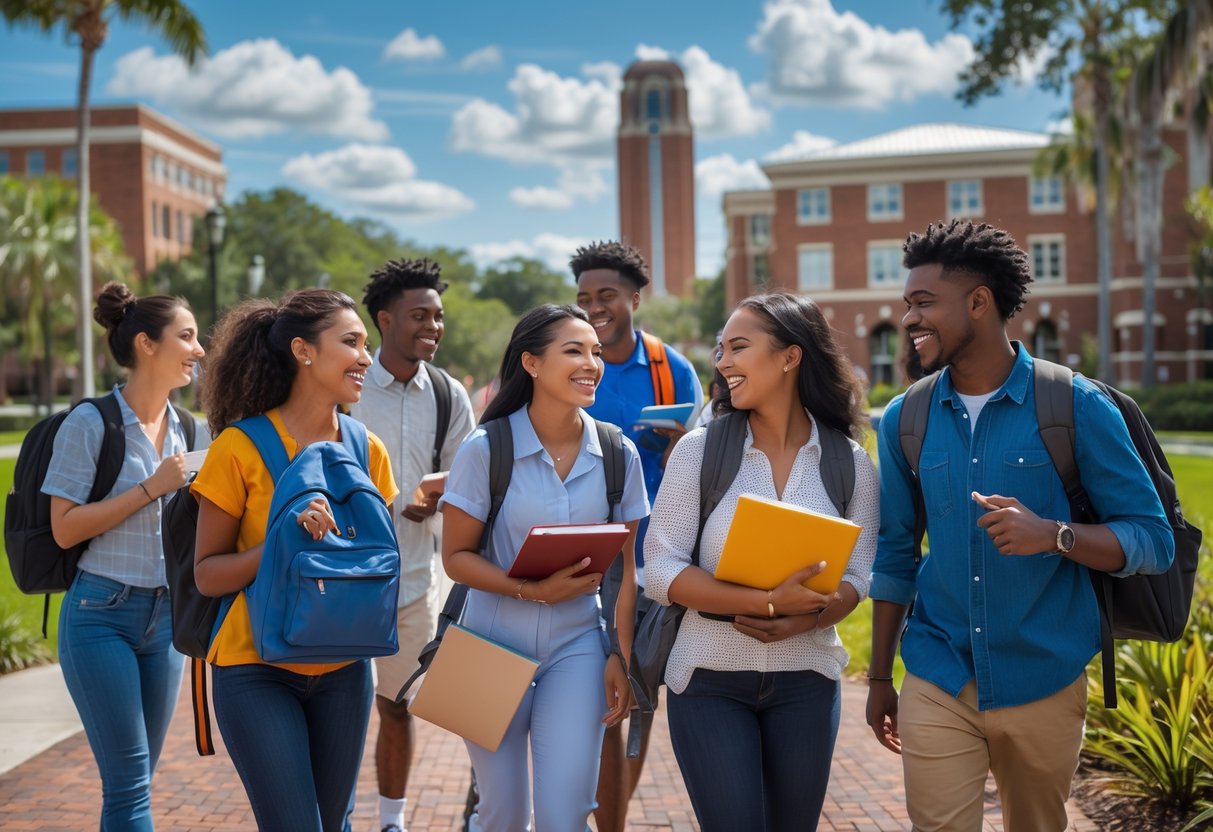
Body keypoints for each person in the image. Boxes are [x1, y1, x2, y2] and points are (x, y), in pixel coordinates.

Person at [866, 220, 1175, 832]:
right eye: (907, 304)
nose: (909, 319)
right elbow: (896, 552)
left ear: (979, 302)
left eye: (924, 302)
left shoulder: (1076, 405)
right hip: (939, 673)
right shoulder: (906, 418)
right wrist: (879, 677)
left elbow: (1153, 539)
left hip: (1045, 676)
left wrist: (1055, 535)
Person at [643, 291, 879, 832]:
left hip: (808, 679)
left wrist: (812, 616)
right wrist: (766, 602)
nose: (722, 361)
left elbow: (858, 575)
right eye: (721, 350)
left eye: (738, 347)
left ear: (790, 357)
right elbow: (661, 569)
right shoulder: (699, 451)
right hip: (707, 681)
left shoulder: (850, 462)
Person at [191, 289, 398, 832]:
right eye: (351, 342)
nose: (366, 357)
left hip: (346, 667)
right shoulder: (238, 447)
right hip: (255, 669)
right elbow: (208, 575)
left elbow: (374, 562)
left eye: (366, 344)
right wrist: (285, 539)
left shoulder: (367, 449)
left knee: (335, 824)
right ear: (303, 351)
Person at [439, 304, 650, 831]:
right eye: (574, 351)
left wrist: (619, 657)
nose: (592, 363)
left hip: (578, 647)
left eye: (596, 352)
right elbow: (456, 558)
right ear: (530, 363)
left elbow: (624, 573)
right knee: (502, 812)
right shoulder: (484, 449)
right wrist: (529, 590)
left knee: (565, 814)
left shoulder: (618, 452)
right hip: (487, 644)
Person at [43, 281, 204, 831]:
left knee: (138, 783)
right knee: (131, 783)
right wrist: (152, 488)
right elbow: (63, 530)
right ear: (146, 344)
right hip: (100, 616)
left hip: (166, 624)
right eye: (187, 336)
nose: (199, 349)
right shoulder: (90, 424)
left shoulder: (189, 428)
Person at [571, 240, 702, 831]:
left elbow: (704, 465)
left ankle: (612, 823)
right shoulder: (571, 359)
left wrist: (680, 450)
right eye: (584, 298)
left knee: (637, 706)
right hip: (581, 556)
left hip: (650, 560)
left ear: (634, 298)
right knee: (593, 704)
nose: (595, 306)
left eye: (606, 296)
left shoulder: (669, 369)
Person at [350, 258, 475, 832]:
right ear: (384, 319)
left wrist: (439, 499)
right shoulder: (346, 387)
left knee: (401, 705)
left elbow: (467, 484)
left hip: (417, 579)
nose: (433, 326)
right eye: (419, 315)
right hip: (342, 580)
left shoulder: (449, 395)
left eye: (438, 316)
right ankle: (339, 814)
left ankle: (392, 822)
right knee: (343, 710)